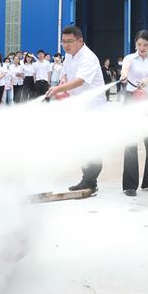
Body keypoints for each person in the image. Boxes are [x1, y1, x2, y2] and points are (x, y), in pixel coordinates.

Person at [46, 25, 106, 195]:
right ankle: (86, 179)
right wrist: (62, 81)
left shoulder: (88, 58)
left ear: (80, 41)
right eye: (63, 42)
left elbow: (80, 81)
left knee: (92, 145)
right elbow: (66, 73)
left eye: (69, 41)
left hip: (93, 108)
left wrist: (58, 89)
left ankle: (91, 182)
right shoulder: (69, 55)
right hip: (78, 107)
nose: (65, 45)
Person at [118, 30, 148, 196]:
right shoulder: (130, 58)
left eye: (145, 45)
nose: (142, 48)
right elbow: (125, 70)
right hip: (131, 100)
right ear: (135, 44)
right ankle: (130, 185)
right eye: (139, 44)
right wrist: (124, 75)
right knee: (131, 143)